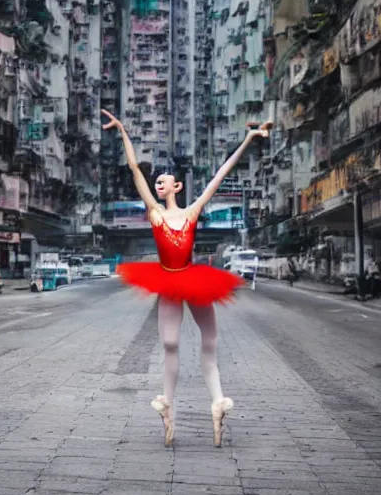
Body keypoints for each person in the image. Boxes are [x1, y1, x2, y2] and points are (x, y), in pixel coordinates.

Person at [101, 109, 272, 447]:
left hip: (192, 280)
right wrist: (122, 132)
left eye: (163, 180)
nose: (157, 183)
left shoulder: (192, 211)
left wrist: (249, 140)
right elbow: (135, 170)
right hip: (168, 280)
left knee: (209, 343)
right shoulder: (154, 213)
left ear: (176, 186)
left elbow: (220, 175)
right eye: (156, 182)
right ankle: (167, 403)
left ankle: (218, 399)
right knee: (170, 345)